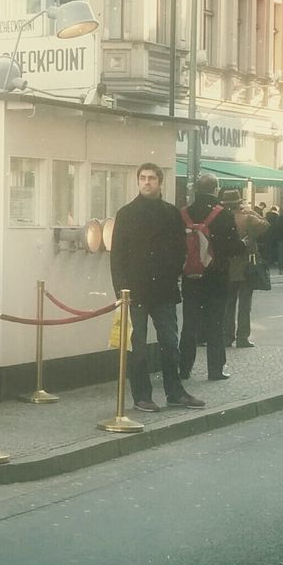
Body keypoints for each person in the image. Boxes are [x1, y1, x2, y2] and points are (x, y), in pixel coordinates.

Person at [109, 163, 204, 412]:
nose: (146, 182)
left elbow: (180, 249)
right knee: (137, 347)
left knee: (170, 345)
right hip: (135, 291)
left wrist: (172, 273)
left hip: (164, 290)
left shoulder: (171, 213)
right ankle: (142, 396)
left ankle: (175, 393)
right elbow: (116, 255)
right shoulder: (126, 213)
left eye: (151, 178)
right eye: (142, 178)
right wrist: (121, 291)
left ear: (160, 182)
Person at [179, 173, 244, 381]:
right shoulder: (223, 214)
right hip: (216, 278)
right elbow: (234, 248)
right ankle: (215, 370)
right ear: (216, 190)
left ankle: (184, 368)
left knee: (189, 323)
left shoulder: (184, 213)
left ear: (196, 190)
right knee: (215, 323)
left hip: (191, 277)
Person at [223, 188, 268, 349]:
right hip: (246, 267)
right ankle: (242, 338)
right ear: (239, 203)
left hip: (227, 268)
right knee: (244, 305)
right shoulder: (247, 218)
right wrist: (253, 212)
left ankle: (226, 337)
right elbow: (265, 225)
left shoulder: (222, 218)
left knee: (228, 305)